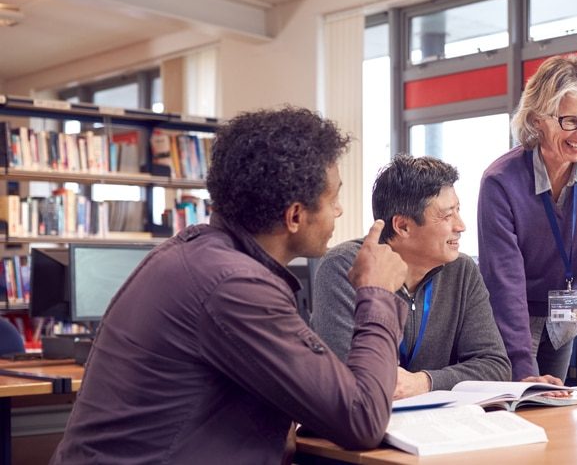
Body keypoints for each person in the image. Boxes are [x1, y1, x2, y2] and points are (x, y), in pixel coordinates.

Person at [52, 107, 409, 463]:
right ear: (295, 216)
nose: (339, 211)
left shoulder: (198, 256)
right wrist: (376, 293)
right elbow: (362, 419)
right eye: (333, 199)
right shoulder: (235, 286)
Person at [479, 54, 577, 383]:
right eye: (570, 121)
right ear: (536, 121)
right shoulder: (500, 182)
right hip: (514, 317)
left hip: (564, 313)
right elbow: (506, 285)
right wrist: (522, 367)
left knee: (554, 407)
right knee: (527, 401)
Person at [311, 155, 510, 396]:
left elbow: (495, 366)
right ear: (403, 226)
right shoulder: (345, 267)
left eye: (458, 211)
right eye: (447, 216)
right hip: (366, 423)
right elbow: (347, 376)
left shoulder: (462, 270)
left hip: (441, 423)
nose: (461, 226)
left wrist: (424, 382)